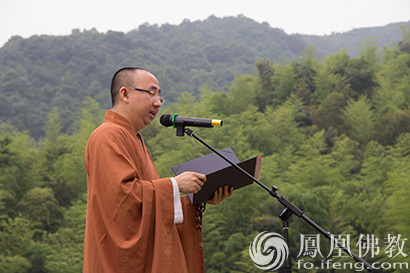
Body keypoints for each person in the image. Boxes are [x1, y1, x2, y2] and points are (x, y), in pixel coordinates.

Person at [83, 67, 233, 273]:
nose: (157, 102)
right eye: (151, 93)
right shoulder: (107, 136)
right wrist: (175, 184)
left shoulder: (135, 138)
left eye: (160, 96)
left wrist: (193, 201)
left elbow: (148, 202)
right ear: (124, 94)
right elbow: (121, 200)